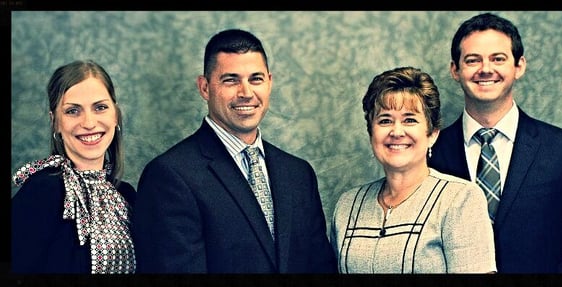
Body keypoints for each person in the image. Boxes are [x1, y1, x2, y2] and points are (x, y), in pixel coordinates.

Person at [132, 28, 337, 273]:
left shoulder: (298, 174)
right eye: (230, 80)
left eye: (256, 79)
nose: (246, 93)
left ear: (269, 82)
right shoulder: (169, 176)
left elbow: (319, 267)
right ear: (205, 87)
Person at [428, 12, 562, 273]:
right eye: (472, 60)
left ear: (519, 66)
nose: (486, 69)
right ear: (455, 70)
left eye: (498, 59)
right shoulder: (430, 152)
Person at [330, 66, 496, 273]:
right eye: (385, 120)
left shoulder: (460, 199)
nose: (396, 131)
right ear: (371, 133)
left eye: (410, 119)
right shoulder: (348, 205)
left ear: (432, 134)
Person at [11, 60, 136, 274]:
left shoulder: (127, 195)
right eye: (72, 111)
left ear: (115, 115)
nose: (88, 122)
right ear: (55, 122)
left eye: (100, 107)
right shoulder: (41, 192)